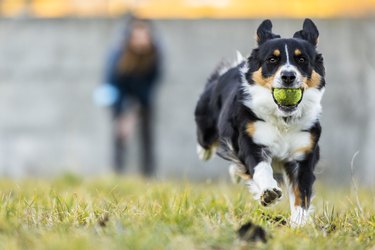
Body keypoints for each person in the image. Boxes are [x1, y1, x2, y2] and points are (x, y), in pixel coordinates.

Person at [102, 16, 162, 176]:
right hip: (120, 98)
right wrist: (123, 114)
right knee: (119, 134)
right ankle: (116, 172)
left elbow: (152, 83)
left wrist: (135, 111)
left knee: (146, 136)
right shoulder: (118, 54)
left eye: (145, 35)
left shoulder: (155, 54)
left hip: (144, 99)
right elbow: (112, 83)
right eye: (137, 36)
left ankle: (148, 174)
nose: (141, 40)